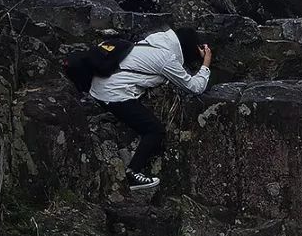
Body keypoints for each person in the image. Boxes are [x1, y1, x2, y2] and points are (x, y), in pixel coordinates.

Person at [90, 27, 213, 191]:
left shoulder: (154, 41)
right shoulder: (166, 59)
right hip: (113, 95)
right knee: (154, 130)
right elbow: (195, 87)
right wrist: (206, 64)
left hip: (99, 88)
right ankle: (133, 173)